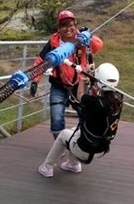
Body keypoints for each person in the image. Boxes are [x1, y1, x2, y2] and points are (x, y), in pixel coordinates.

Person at [38, 63, 123, 177]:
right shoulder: (118, 99)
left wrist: (83, 77)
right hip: (101, 148)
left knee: (63, 134)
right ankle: (73, 164)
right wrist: (94, 83)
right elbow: (100, 100)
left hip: (86, 150)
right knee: (74, 130)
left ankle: (47, 167)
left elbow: (80, 95)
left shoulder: (96, 103)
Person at [30, 10, 103, 138]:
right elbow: (41, 61)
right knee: (56, 118)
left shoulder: (82, 40)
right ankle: (60, 145)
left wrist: (89, 36)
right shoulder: (53, 43)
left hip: (79, 85)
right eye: (64, 25)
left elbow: (98, 46)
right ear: (59, 28)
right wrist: (35, 81)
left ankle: (84, 143)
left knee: (85, 114)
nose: (68, 29)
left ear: (75, 25)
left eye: (71, 25)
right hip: (59, 85)